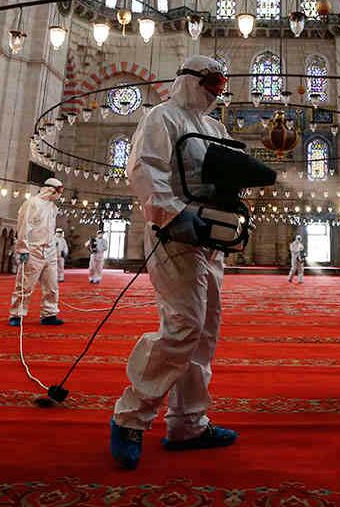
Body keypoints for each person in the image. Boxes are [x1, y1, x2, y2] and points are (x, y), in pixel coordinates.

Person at [109, 55, 237, 470]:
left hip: (209, 239)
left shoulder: (215, 127)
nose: (215, 95)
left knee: (204, 334)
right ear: (190, 80)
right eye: (210, 85)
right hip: (174, 234)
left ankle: (188, 424)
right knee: (183, 326)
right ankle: (130, 414)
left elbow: (223, 177)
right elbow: (146, 170)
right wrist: (177, 215)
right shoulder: (161, 118)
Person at [8, 178, 65, 327]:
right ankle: (17, 314)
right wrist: (22, 248)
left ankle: (49, 314)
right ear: (50, 190)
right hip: (33, 250)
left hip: (49, 250)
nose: (59, 195)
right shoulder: (32, 203)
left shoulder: (53, 207)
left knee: (52, 285)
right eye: (58, 191)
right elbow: (23, 226)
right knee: (25, 285)